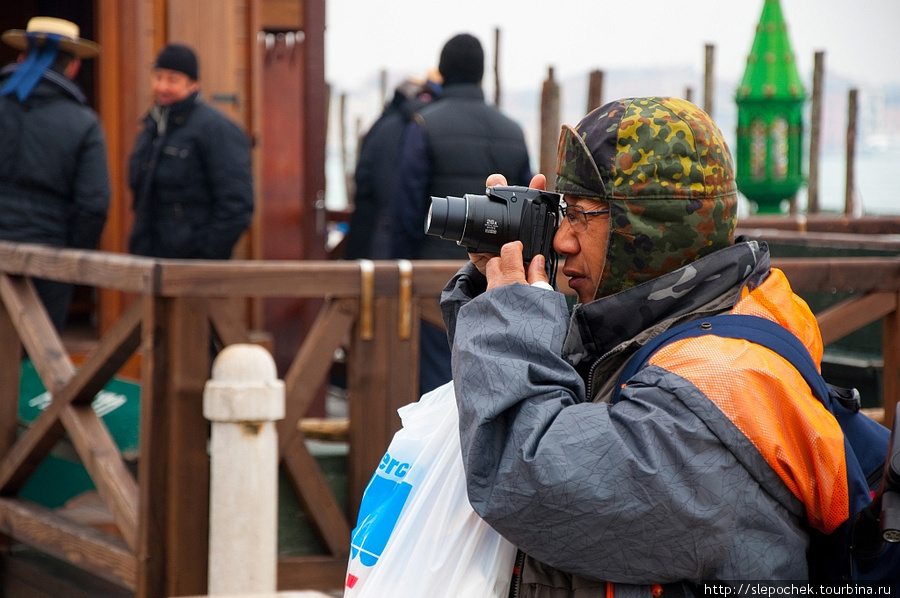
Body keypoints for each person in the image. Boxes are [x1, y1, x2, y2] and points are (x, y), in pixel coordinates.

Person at [441, 97, 852, 594]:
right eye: (562, 211)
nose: (563, 241)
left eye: (584, 216)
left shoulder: (722, 382)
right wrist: (492, 289)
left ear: (652, 228)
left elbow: (527, 474)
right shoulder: (657, 332)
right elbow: (544, 403)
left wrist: (509, 317)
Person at [390, 33, 532, 395]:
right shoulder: (513, 131)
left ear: (444, 72)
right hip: (499, 277)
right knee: (492, 377)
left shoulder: (423, 125)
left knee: (440, 384)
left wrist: (399, 264)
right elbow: (529, 209)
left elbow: (407, 210)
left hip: (435, 281)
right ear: (481, 72)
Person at [0, 17, 110, 333]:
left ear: (22, 57)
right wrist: (70, 257)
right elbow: (95, 205)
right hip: (47, 258)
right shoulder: (83, 122)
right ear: (73, 67)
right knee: (39, 359)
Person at [128, 43, 253, 260]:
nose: (162, 86)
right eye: (158, 77)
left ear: (193, 84)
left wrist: (205, 256)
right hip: (150, 259)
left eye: (173, 79)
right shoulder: (152, 126)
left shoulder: (217, 129)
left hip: (193, 267)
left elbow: (237, 205)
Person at [342, 72, 441, 260]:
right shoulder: (427, 129)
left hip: (374, 236)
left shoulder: (382, 127)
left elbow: (365, 179)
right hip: (416, 242)